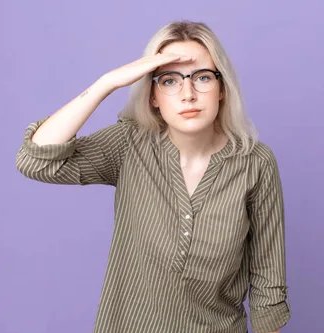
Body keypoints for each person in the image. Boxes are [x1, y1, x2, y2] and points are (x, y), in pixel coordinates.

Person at [16, 20, 291, 333]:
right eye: (170, 81)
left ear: (222, 89)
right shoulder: (130, 144)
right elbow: (36, 161)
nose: (188, 94)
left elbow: (269, 282)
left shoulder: (256, 162)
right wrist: (106, 84)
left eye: (202, 77)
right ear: (153, 97)